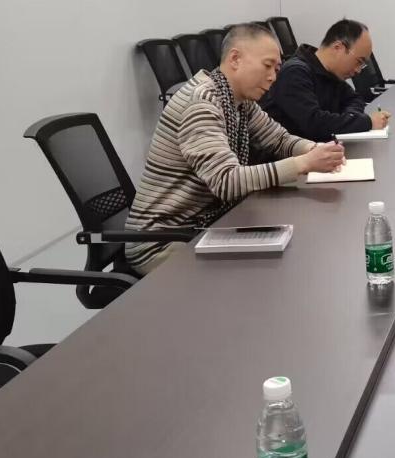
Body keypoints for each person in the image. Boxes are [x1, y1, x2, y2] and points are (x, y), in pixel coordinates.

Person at [125, 23, 345, 274]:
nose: (273, 77)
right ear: (235, 59)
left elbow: (279, 140)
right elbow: (226, 181)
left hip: (200, 226)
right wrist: (304, 163)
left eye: (276, 69)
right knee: (259, 273)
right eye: (267, 66)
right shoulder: (201, 103)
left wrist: (317, 150)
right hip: (163, 243)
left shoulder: (239, 101)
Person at [261, 18, 391, 140]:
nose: (358, 70)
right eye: (359, 61)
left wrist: (351, 117)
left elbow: (354, 99)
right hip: (291, 152)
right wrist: (367, 122)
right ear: (338, 48)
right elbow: (314, 124)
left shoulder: (330, 73)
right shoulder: (295, 73)